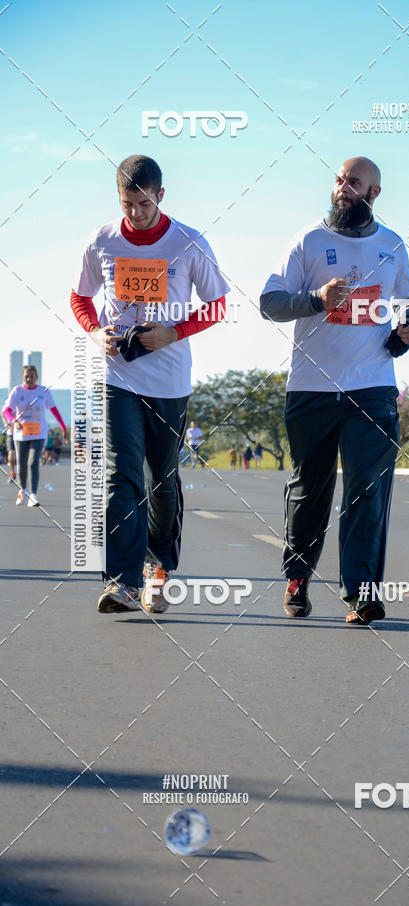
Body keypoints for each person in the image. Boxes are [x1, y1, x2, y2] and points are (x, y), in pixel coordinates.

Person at [260, 156, 409, 625]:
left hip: (371, 386)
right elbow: (270, 303)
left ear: (373, 194)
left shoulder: (391, 246)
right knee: (311, 489)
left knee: (367, 489)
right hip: (311, 387)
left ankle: (362, 594)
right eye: (338, 180)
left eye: (354, 182)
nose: (342, 188)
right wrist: (314, 299)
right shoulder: (308, 240)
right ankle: (298, 578)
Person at [70, 154, 229, 615]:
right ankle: (120, 580)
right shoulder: (101, 241)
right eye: (127, 204)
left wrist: (172, 333)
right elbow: (80, 297)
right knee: (121, 472)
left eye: (143, 203)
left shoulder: (188, 242)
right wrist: (95, 331)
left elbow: (217, 303)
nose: (135, 213)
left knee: (161, 478)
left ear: (160, 196)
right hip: (118, 377)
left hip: (169, 380)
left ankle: (159, 570)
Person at [3, 365, 69, 507]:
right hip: (20, 434)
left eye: (32, 376)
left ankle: (33, 495)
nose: (29, 379)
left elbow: (54, 410)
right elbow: (7, 411)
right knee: (21, 464)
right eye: (26, 376)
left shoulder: (43, 391)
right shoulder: (17, 391)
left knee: (33, 462)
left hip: (39, 433)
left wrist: (63, 427)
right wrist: (13, 420)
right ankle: (22, 491)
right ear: (23, 377)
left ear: (36, 377)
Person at [3, 416, 16, 483]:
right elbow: (3, 413)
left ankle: (21, 476)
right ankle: (12, 473)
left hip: (23, 434)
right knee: (10, 456)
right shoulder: (7, 406)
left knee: (22, 457)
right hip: (11, 434)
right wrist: (5, 423)